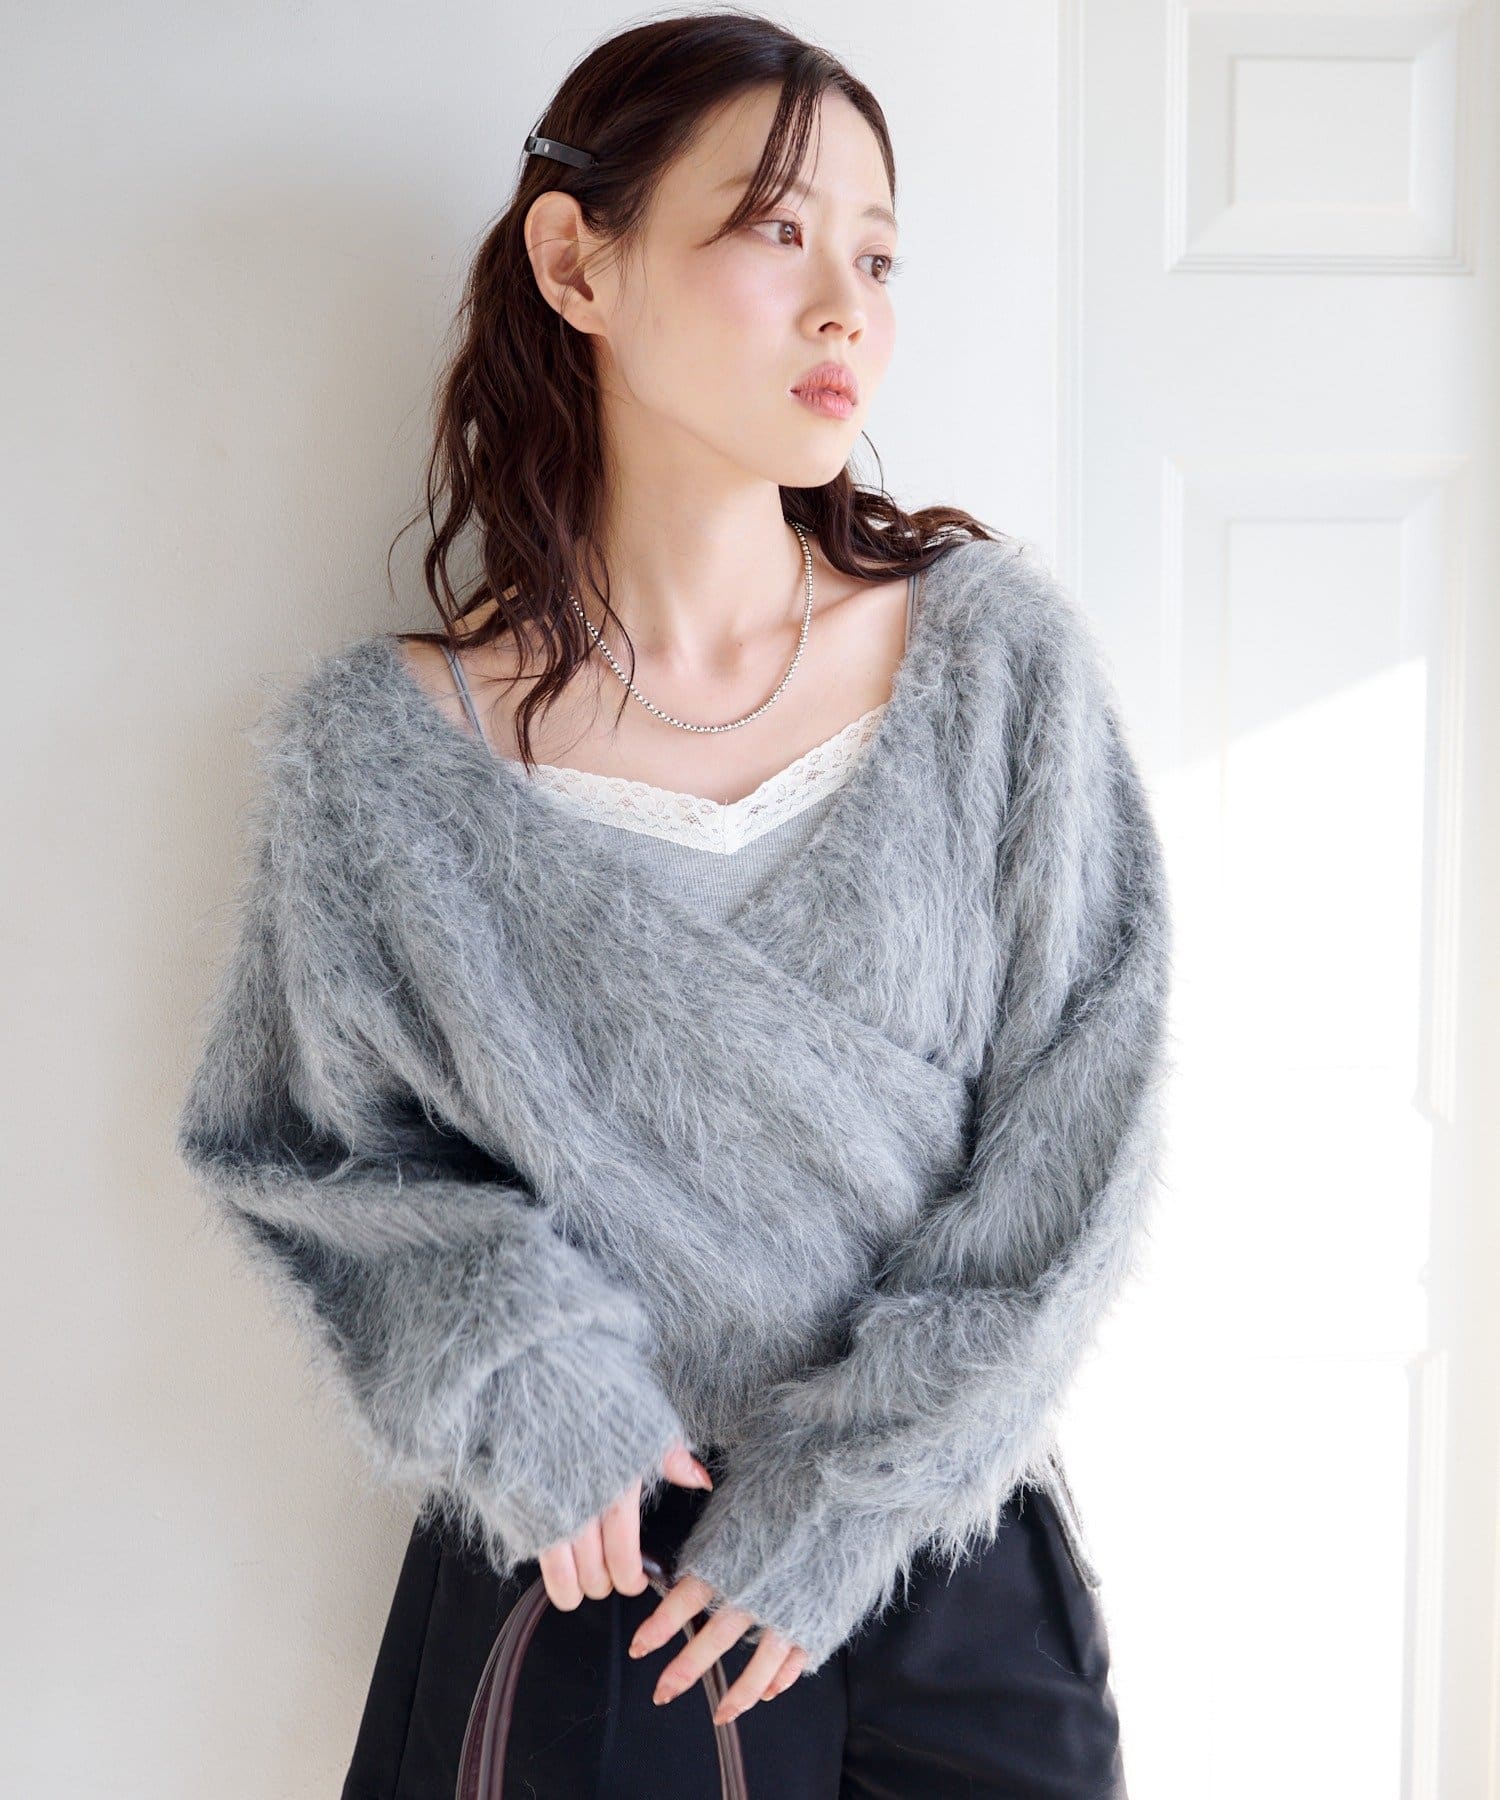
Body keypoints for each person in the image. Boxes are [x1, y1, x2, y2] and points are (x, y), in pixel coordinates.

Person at [175, 13, 1173, 1798]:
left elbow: (1079, 1139)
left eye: (878, 254)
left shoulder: (997, 665)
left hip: (949, 1571)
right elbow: (301, 1152)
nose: (846, 306)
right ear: (579, 263)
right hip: (593, 1578)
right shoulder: (380, 761)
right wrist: (527, 1377)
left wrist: (846, 1497)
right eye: (778, 229)